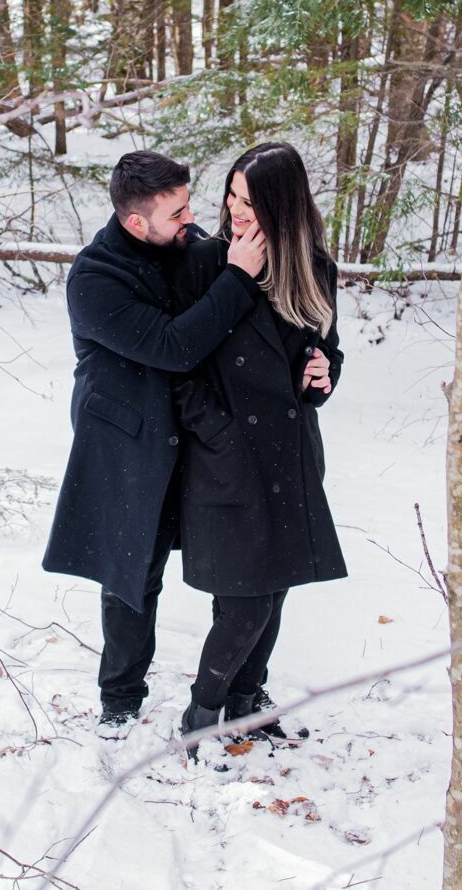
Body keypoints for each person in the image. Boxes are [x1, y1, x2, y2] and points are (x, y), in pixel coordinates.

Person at [42, 150, 267, 737]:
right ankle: (119, 699)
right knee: (131, 580)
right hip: (126, 449)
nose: (192, 218)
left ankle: (238, 683)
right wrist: (238, 277)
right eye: (177, 211)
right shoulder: (94, 279)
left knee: (232, 565)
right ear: (136, 222)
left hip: (194, 438)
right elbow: (173, 346)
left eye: (190, 203)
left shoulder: (182, 249)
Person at [169, 142, 345, 754]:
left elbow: (325, 347)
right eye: (232, 196)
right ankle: (201, 716)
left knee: (273, 593)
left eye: (250, 203)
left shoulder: (314, 267)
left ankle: (245, 705)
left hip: (289, 455)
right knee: (242, 603)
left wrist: (324, 371)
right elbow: (179, 366)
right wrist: (218, 434)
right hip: (226, 461)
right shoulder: (204, 263)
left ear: (283, 207)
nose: (234, 211)